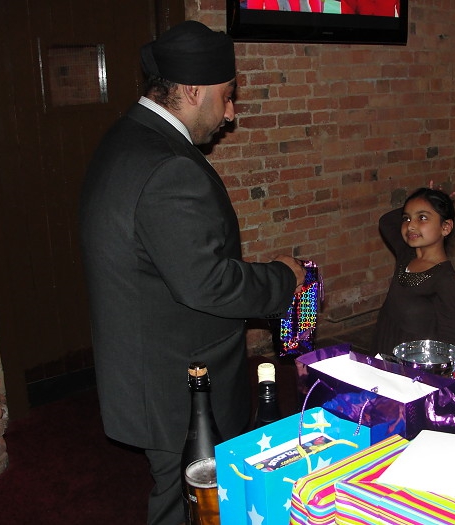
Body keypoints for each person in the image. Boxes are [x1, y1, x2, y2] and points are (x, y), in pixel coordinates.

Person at [78, 21, 306, 525]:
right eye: (227, 96)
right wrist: (283, 279)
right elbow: (207, 283)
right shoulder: (168, 167)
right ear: (193, 90)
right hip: (174, 378)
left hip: (144, 361)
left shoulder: (126, 136)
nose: (231, 113)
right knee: (188, 504)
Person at [371, 187, 455, 356]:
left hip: (414, 360)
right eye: (406, 218)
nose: (411, 225)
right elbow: (386, 221)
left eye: (422, 218)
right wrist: (424, 198)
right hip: (384, 345)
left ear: (446, 227)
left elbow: (448, 334)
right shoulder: (406, 254)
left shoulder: (445, 278)